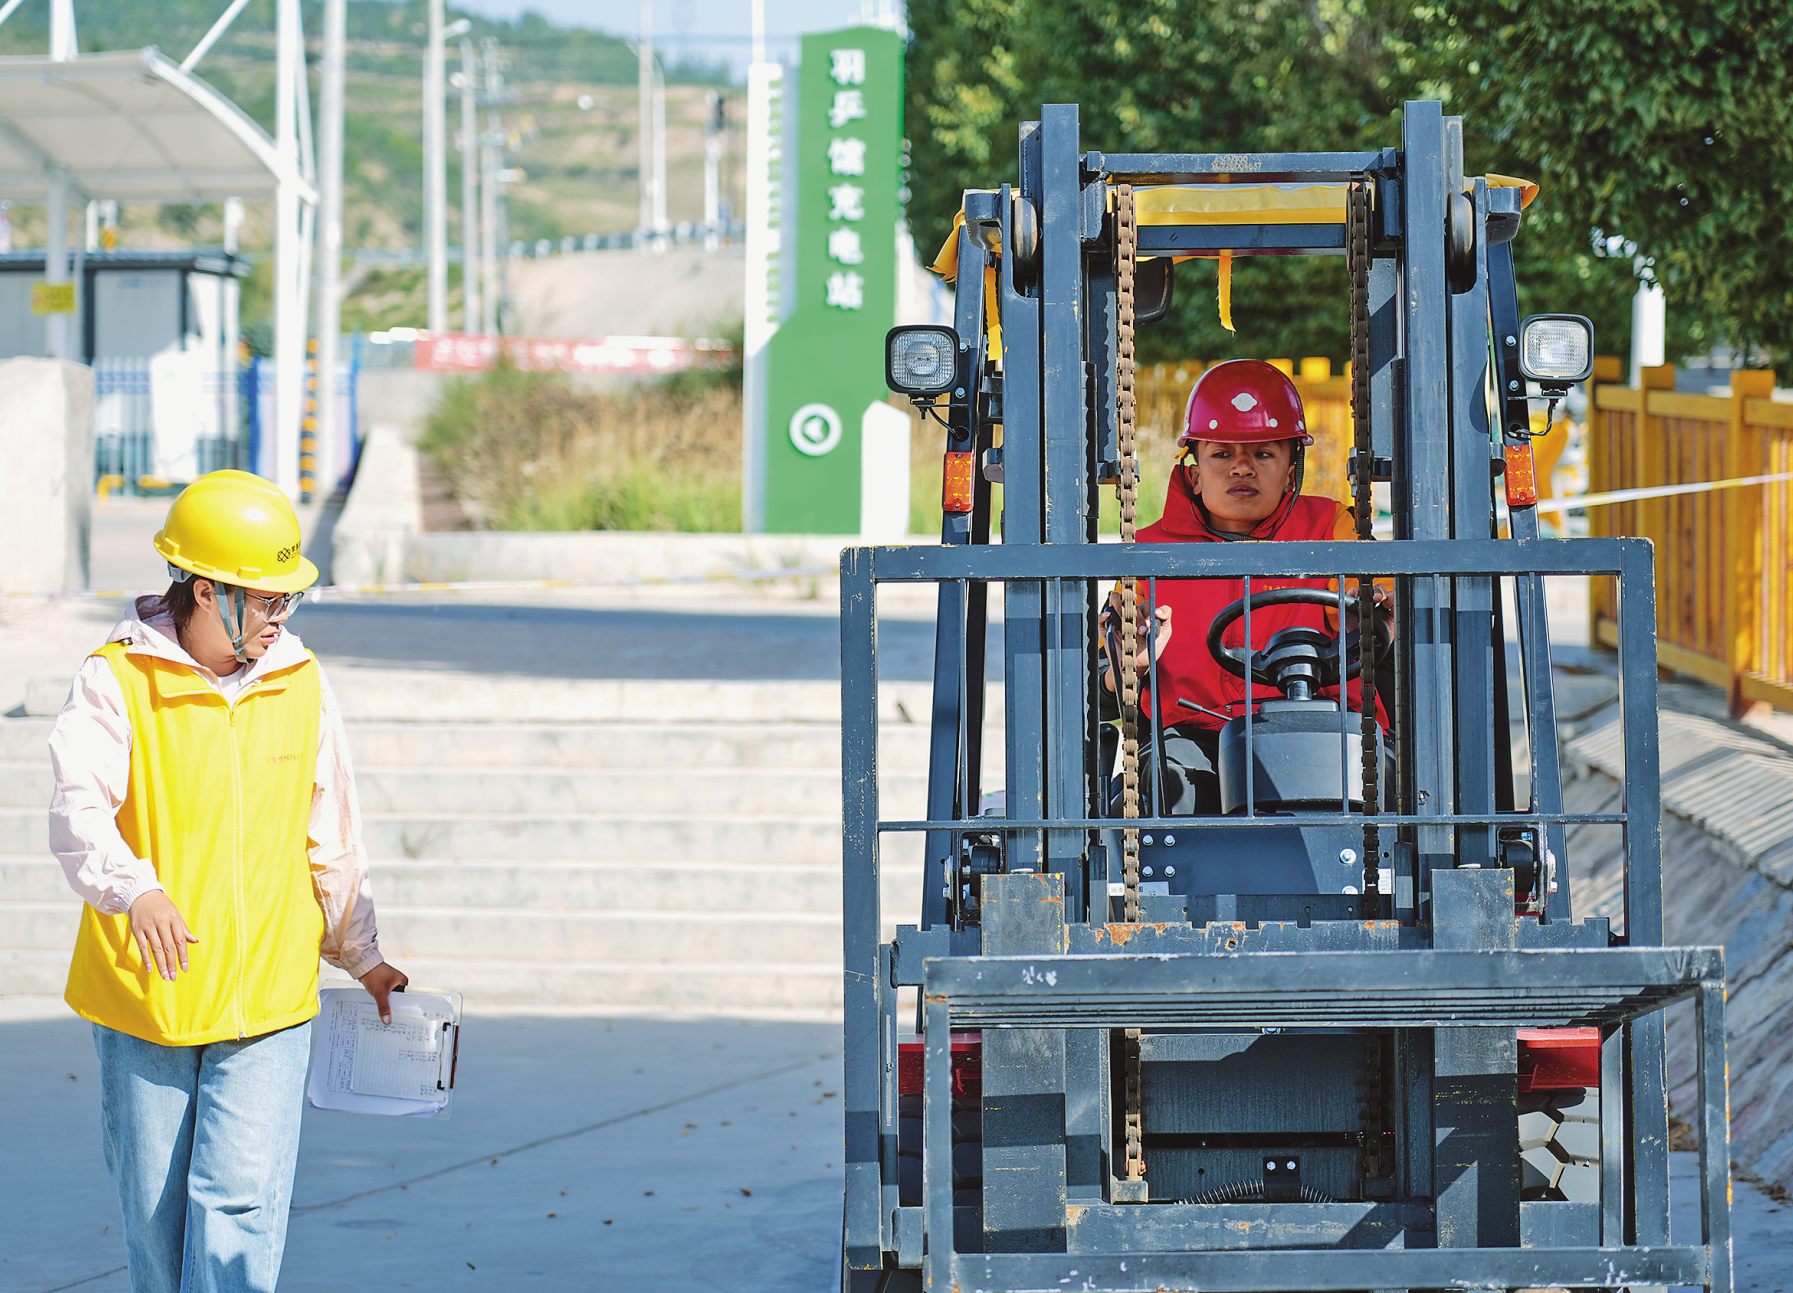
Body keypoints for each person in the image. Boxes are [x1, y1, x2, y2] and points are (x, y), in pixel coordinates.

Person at [49, 470, 407, 1293]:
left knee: (239, 1204)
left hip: (268, 996)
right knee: (156, 1213)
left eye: (290, 599)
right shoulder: (116, 680)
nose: (282, 616)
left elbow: (331, 831)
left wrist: (362, 953)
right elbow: (78, 809)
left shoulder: (300, 679)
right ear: (206, 590)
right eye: (269, 598)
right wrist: (135, 889)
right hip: (150, 995)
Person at [1101, 359, 1389, 814]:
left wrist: (1369, 619)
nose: (1241, 468)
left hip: (1326, 726)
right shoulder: (1146, 555)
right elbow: (1094, 693)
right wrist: (1126, 669)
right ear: (1195, 473)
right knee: (1166, 783)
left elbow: (1394, 630)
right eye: (1221, 454)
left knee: (1381, 775)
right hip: (1196, 738)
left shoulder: (1333, 529)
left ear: (1291, 471)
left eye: (1263, 454)